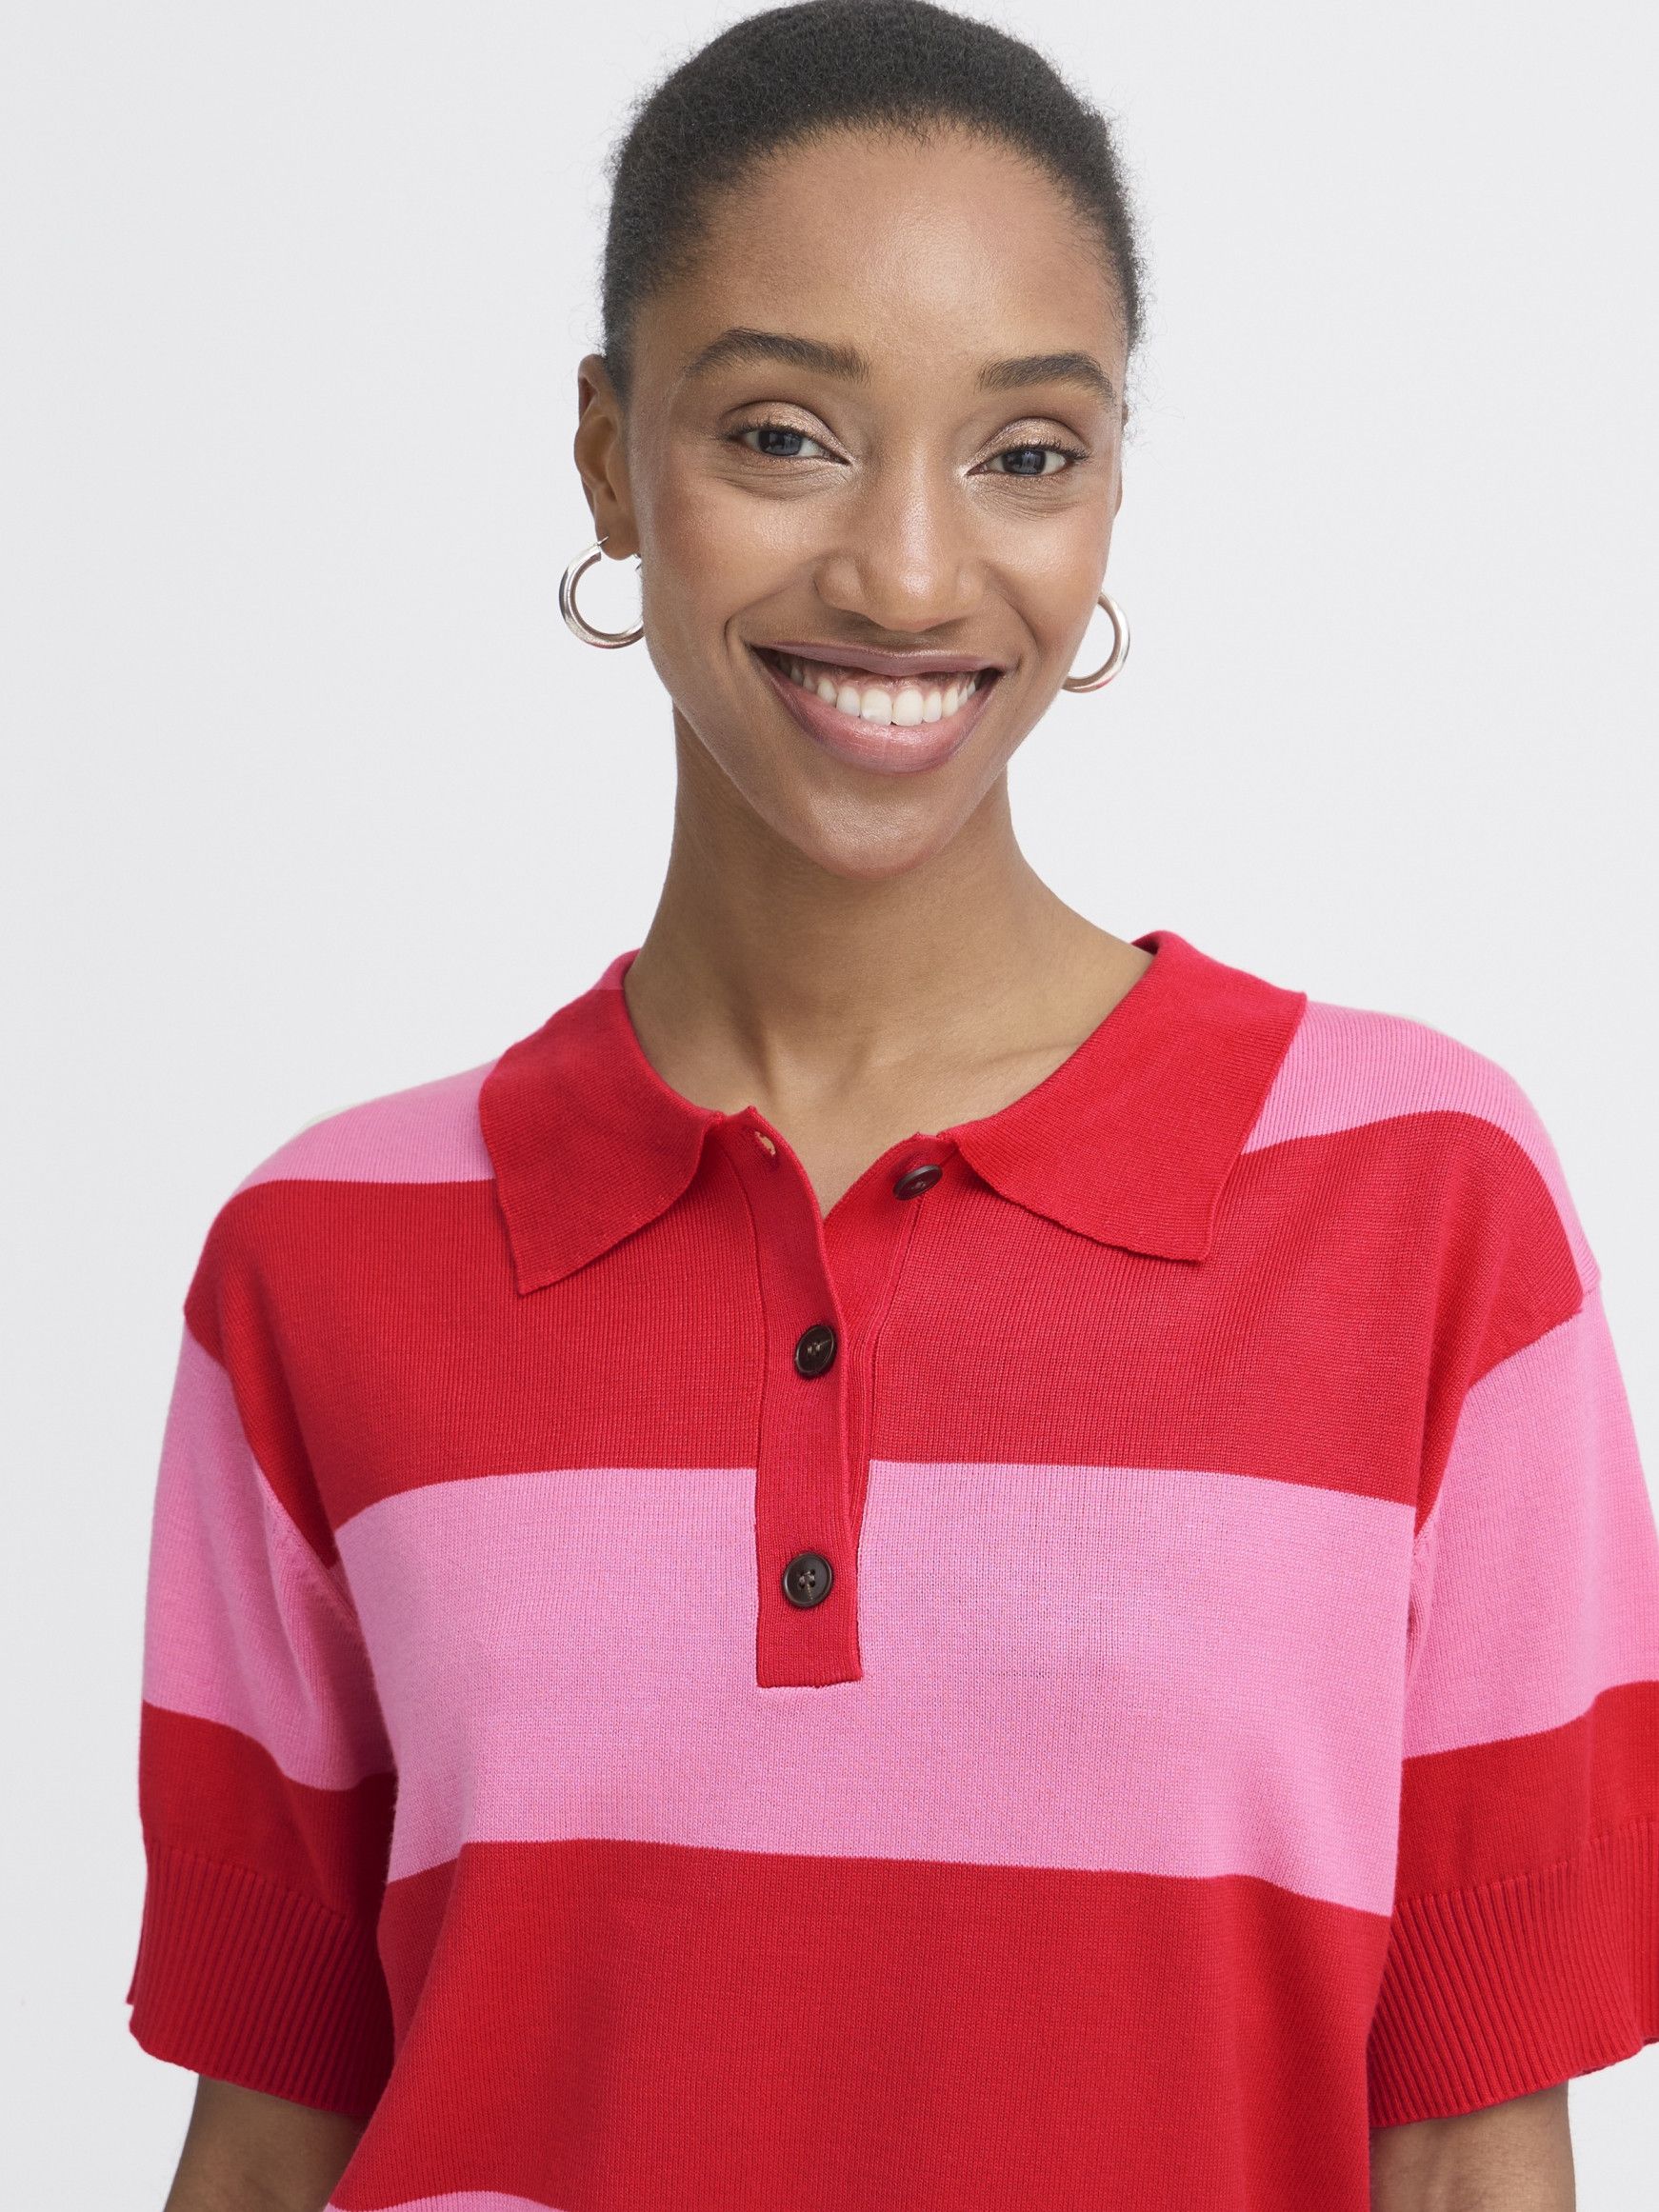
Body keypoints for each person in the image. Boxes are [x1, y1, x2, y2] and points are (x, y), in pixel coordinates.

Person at [126, 5, 1659, 2208]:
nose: (912, 576)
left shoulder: (1419, 1206)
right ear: (606, 458)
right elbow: (272, 2148)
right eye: (784, 435)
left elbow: (1468, 2153)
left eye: (1026, 452)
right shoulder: (324, 1254)